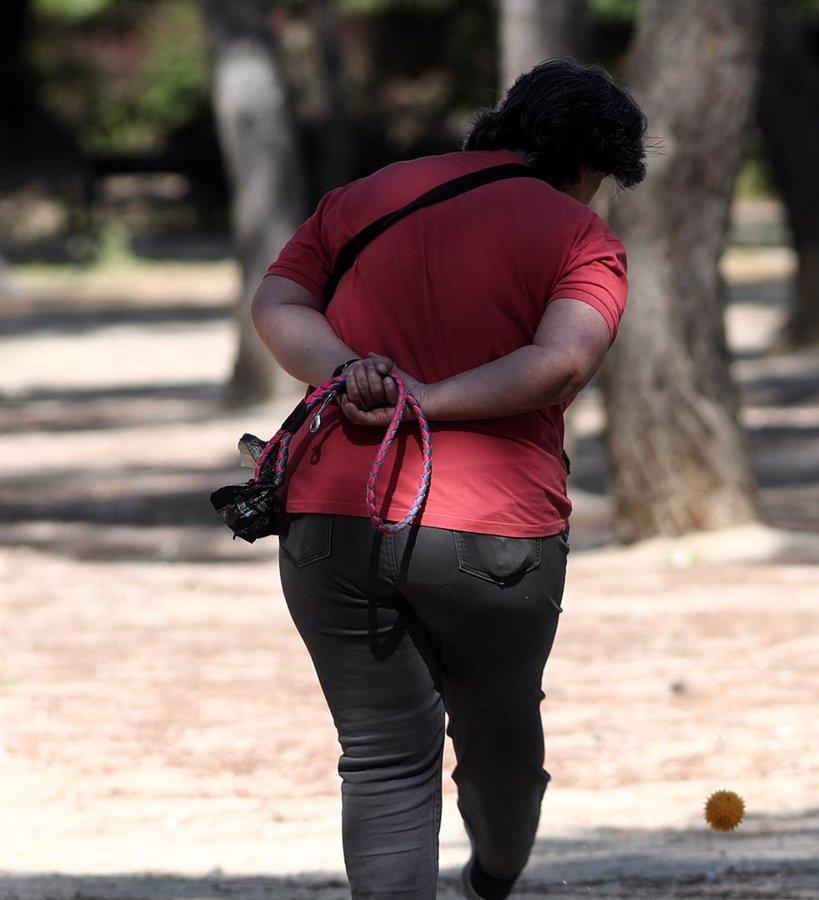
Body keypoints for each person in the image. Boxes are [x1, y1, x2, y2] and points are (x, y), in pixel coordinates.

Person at [250, 60, 646, 899]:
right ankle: (495, 875)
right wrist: (430, 399)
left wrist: (349, 373)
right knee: (502, 751)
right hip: (494, 531)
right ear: (589, 164)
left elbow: (279, 301)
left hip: (331, 517)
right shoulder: (580, 235)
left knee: (384, 758)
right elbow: (561, 360)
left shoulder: (366, 197)